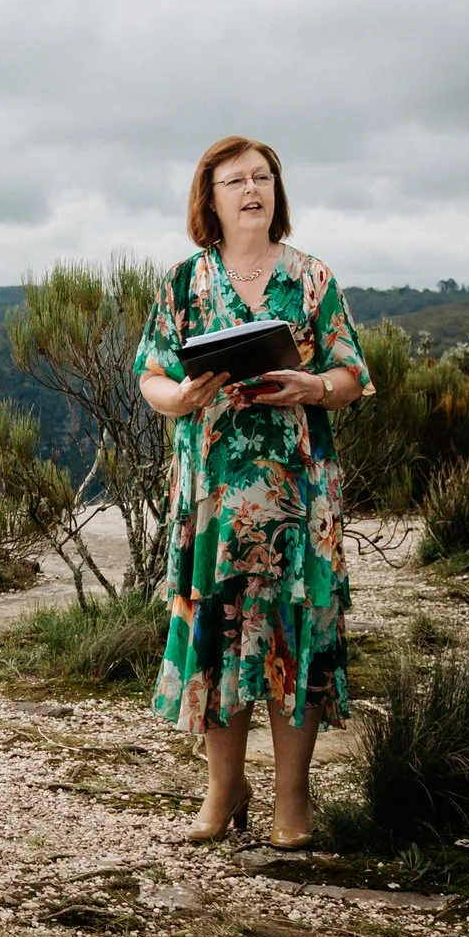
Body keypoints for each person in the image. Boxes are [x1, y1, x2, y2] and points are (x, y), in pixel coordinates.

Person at [136, 136, 368, 851]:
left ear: (277, 191)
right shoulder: (181, 282)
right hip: (213, 496)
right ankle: (223, 787)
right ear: (210, 199)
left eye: (262, 177)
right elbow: (151, 375)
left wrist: (314, 386)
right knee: (219, 631)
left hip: (297, 496)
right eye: (234, 180)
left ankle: (293, 796)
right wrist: (180, 395)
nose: (250, 190)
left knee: (292, 633)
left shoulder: (313, 278)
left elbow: (352, 374)